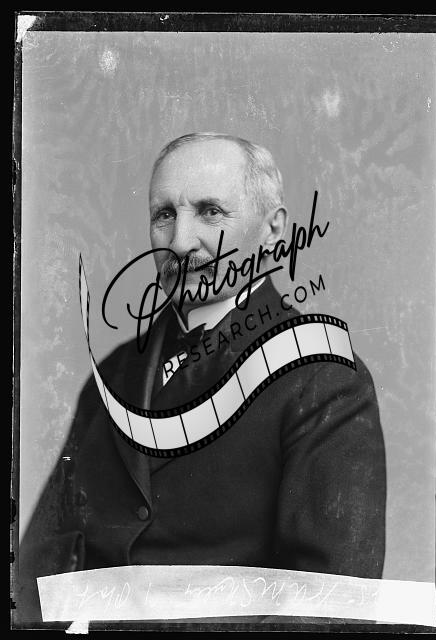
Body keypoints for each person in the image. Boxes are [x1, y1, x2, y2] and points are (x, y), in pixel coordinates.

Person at [16, 133, 386, 622]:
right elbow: (38, 572)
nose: (180, 241)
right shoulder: (114, 373)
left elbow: (330, 607)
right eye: (164, 214)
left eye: (210, 212)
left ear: (273, 230)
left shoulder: (324, 379)